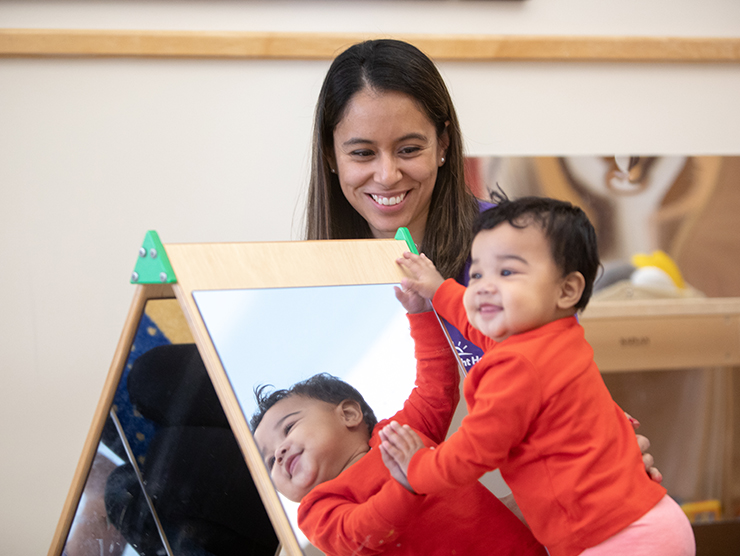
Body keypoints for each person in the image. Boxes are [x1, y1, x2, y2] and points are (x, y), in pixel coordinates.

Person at [382, 195, 695, 556]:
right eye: (479, 272)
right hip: (648, 523)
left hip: (618, 539)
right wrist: (438, 290)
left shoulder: (517, 367)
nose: (483, 285)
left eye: (507, 272)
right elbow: (481, 330)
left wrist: (416, 468)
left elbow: (470, 453)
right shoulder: (555, 338)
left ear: (567, 290)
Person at [250, 292, 547, 556]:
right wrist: (406, 485)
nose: (278, 453)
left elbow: (435, 388)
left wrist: (421, 314)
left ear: (349, 415)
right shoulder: (316, 509)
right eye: (268, 461)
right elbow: (359, 535)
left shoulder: (396, 435)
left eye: (288, 428)